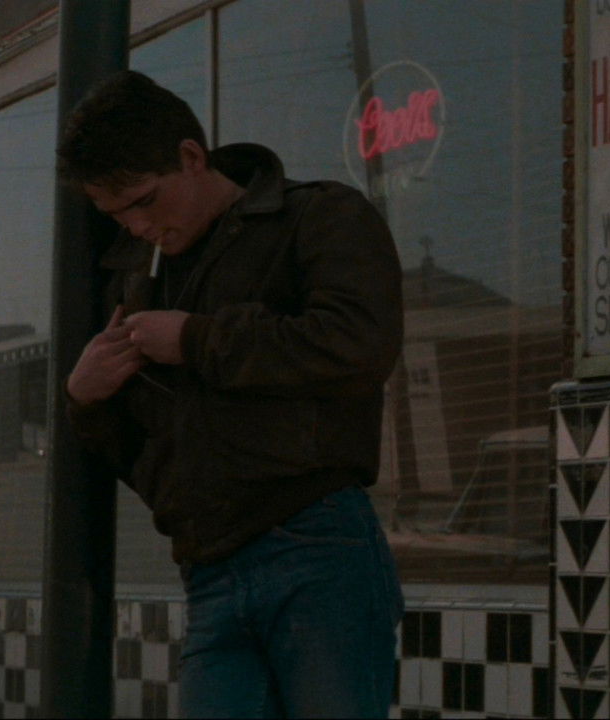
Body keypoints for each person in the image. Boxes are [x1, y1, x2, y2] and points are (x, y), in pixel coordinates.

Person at [57, 70, 404, 719]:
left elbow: (360, 344)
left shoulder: (316, 217)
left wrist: (197, 339)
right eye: (117, 215)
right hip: (209, 570)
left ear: (191, 156)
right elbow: (145, 450)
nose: (136, 226)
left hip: (315, 547)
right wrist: (87, 399)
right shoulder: (137, 282)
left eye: (144, 201)